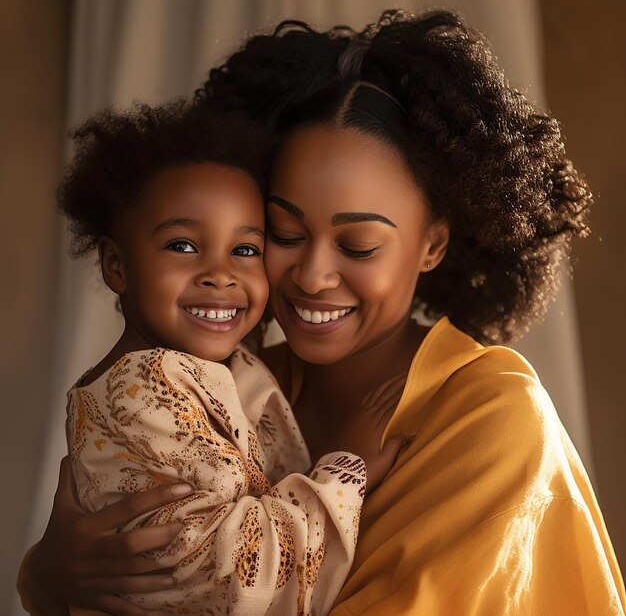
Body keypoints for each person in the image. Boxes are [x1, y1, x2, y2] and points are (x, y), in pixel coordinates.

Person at [21, 8, 626, 616]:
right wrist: (48, 578)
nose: (312, 276)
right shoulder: (235, 387)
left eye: (358, 245)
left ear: (433, 245)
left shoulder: (491, 414)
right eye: (282, 233)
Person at [21, 100, 407, 616]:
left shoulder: (222, 367)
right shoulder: (141, 389)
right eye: (183, 245)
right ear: (116, 264)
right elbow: (228, 577)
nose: (220, 274)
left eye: (246, 250)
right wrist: (344, 467)